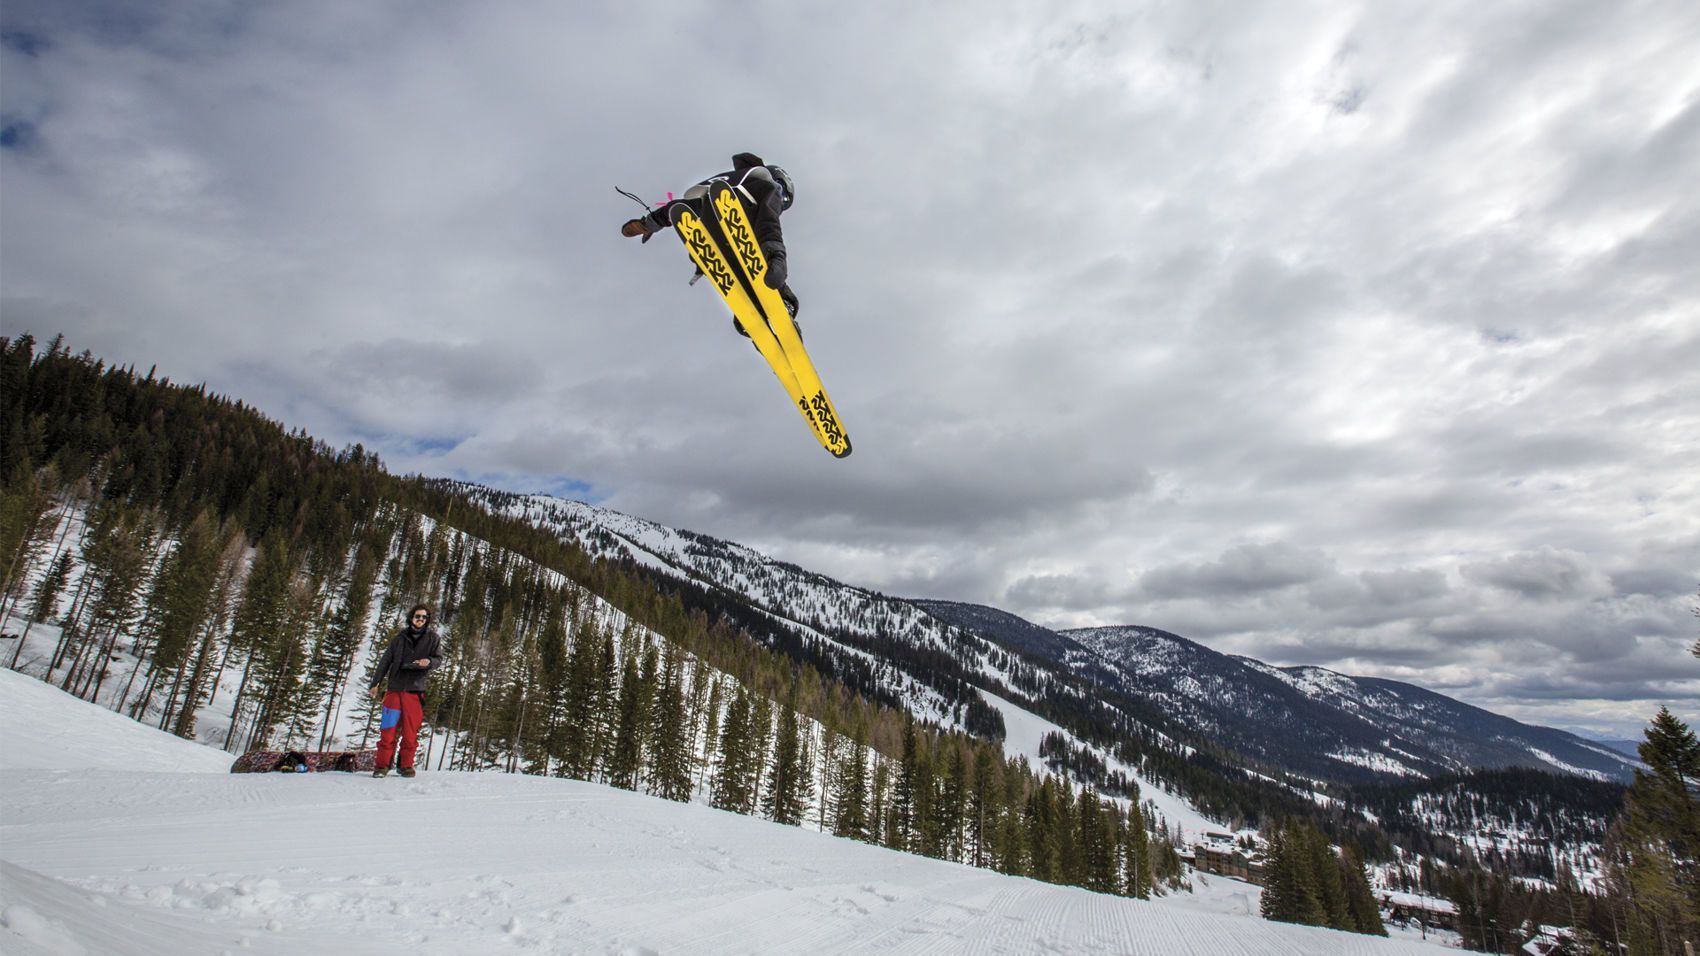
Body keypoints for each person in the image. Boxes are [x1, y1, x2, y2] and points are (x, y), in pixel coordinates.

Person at [621, 152, 801, 325]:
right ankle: (781, 298)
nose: (781, 203)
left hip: (714, 225)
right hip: (744, 215)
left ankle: (752, 313)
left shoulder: (717, 192)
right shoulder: (767, 188)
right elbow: (769, 225)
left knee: (741, 266)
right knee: (764, 258)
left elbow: (680, 209)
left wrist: (649, 224)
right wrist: (776, 254)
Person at [367, 603, 442, 778]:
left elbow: (439, 659)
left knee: (410, 732)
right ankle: (382, 766)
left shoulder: (433, 638)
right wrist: (375, 683)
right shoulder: (399, 639)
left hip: (415, 691)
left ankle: (405, 765)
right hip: (394, 689)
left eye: (424, 617)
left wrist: (429, 662)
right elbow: (385, 661)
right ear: (411, 618)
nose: (420, 620)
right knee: (388, 730)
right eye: (418, 617)